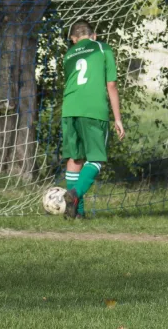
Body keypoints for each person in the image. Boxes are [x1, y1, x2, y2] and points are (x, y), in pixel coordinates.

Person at [61, 19, 125, 219]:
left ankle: (76, 213)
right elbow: (111, 85)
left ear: (73, 39)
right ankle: (74, 194)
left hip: (69, 109)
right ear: (93, 36)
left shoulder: (69, 54)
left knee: (75, 158)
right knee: (96, 158)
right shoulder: (101, 47)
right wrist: (118, 118)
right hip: (93, 110)